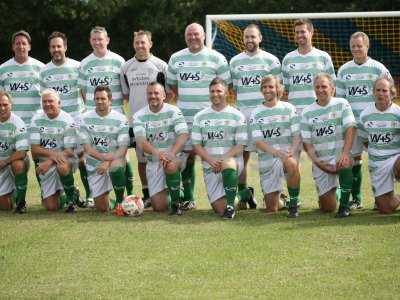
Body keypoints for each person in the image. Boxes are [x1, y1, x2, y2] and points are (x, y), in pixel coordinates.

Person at [167, 22, 231, 210]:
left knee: (216, 157)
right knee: (186, 158)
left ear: (204, 35)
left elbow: (224, 87)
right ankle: (188, 198)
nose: (193, 38)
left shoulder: (217, 58)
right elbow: (173, 86)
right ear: (185, 37)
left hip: (213, 120)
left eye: (196, 34)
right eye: (189, 35)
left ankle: (233, 194)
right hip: (185, 118)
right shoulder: (176, 58)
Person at [336, 32, 392, 209]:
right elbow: (341, 100)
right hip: (353, 126)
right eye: (353, 46)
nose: (356, 49)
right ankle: (356, 199)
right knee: (354, 160)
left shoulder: (378, 68)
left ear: (367, 47)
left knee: (378, 161)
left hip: (375, 125)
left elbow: (390, 92)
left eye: (359, 45)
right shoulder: (344, 70)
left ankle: (380, 198)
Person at [230, 24, 281, 209]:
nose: (250, 40)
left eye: (253, 37)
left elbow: (278, 90)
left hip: (266, 117)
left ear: (260, 38)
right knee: (241, 157)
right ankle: (243, 194)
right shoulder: (235, 61)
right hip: (243, 117)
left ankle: (276, 192)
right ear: (243, 39)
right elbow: (236, 88)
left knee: (269, 156)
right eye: (246, 37)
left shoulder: (272, 61)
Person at [79, 26, 133, 197]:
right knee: (92, 155)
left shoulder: (118, 61)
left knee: (124, 158)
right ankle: (93, 195)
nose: (97, 42)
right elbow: (83, 90)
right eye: (94, 39)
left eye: (100, 39)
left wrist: (114, 112)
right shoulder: (84, 63)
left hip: (116, 116)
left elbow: (125, 90)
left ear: (107, 40)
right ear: (90, 41)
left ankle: (129, 195)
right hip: (94, 119)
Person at [40, 31, 90, 207]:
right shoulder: (44, 71)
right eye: (53, 46)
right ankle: (69, 193)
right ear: (49, 49)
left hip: (76, 120)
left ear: (65, 47)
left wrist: (85, 119)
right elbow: (44, 99)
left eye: (59, 46)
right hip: (56, 124)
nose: (56, 49)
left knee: (83, 157)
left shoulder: (77, 66)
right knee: (61, 160)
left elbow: (84, 95)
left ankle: (90, 195)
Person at [121, 30, 170, 207]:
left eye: (143, 42)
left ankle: (168, 189)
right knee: (142, 159)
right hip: (137, 121)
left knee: (163, 154)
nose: (140, 46)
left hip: (159, 121)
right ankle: (147, 192)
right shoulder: (126, 67)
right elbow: (126, 95)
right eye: (137, 43)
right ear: (133, 44)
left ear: (150, 43)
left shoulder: (161, 65)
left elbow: (168, 93)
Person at [301, 73, 356, 218]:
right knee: (327, 207)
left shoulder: (342, 103)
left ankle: (344, 206)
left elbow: (351, 128)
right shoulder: (307, 112)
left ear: (332, 88)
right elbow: (307, 143)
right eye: (317, 87)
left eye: (324, 86)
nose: (320, 90)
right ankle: (336, 191)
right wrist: (321, 164)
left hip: (339, 156)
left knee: (346, 162)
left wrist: (345, 153)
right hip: (322, 161)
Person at [192, 78, 247, 219]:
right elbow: (196, 145)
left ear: (227, 93)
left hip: (231, 164)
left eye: (219, 91)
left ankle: (231, 208)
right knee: (218, 209)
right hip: (211, 166)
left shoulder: (237, 115)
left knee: (228, 163)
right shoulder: (200, 116)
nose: (215, 94)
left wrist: (221, 160)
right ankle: (244, 194)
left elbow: (240, 145)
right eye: (212, 91)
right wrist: (211, 161)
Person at [133, 82, 188, 214]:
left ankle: (176, 203)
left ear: (163, 95)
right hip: (154, 161)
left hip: (175, 157)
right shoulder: (139, 115)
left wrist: (171, 154)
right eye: (150, 93)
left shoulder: (174, 111)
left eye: (156, 93)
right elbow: (141, 141)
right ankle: (174, 189)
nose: (153, 96)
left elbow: (183, 134)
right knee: (159, 207)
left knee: (170, 165)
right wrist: (159, 154)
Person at [250, 75, 301, 217]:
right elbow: (258, 141)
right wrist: (277, 152)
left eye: (271, 87)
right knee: (272, 209)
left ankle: (294, 204)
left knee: (291, 163)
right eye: (264, 87)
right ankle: (282, 201)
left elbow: (297, 134)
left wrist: (292, 150)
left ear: (278, 89)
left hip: (286, 156)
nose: (267, 90)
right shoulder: (256, 113)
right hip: (268, 159)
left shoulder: (289, 108)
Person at [80, 85, 129, 214]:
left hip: (114, 161)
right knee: (102, 208)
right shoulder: (84, 119)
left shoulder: (121, 119)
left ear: (110, 99)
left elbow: (123, 148)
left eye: (103, 98)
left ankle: (120, 202)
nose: (99, 101)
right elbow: (88, 148)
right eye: (97, 98)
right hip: (95, 165)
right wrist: (103, 160)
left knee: (116, 166)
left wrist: (107, 162)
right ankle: (113, 200)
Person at [30, 89, 80, 212]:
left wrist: (50, 161)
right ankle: (71, 191)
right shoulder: (36, 119)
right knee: (51, 207)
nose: (47, 104)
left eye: (50, 101)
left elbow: (69, 151)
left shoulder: (68, 120)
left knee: (62, 167)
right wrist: (52, 157)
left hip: (65, 160)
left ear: (59, 103)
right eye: (44, 101)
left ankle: (70, 201)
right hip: (46, 163)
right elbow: (35, 149)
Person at [358, 77, 400, 214]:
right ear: (373, 92)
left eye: (384, 90)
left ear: (392, 93)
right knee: (385, 208)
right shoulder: (365, 115)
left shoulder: (398, 113)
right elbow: (364, 140)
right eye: (378, 90)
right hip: (377, 164)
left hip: (395, 158)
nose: (381, 93)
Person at [282, 19, 336, 116]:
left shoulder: (324, 57)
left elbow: (332, 87)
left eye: (303, 32)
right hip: (295, 113)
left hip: (319, 111)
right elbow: (285, 90)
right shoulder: (287, 59)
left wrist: (327, 108)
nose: (299, 35)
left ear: (311, 33)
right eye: (297, 32)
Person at [0, 30, 44, 125]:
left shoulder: (41, 68)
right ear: (13, 47)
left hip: (35, 123)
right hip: (11, 123)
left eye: (24, 43)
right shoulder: (2, 69)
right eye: (17, 44)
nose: (21, 46)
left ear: (29, 47)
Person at [0, 91, 29, 213]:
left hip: (11, 162)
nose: (2, 108)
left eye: (5, 104)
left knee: (18, 163)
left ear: (11, 105)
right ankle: (11, 192)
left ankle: (21, 202)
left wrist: (4, 162)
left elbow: (22, 152)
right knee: (4, 206)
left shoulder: (18, 123)